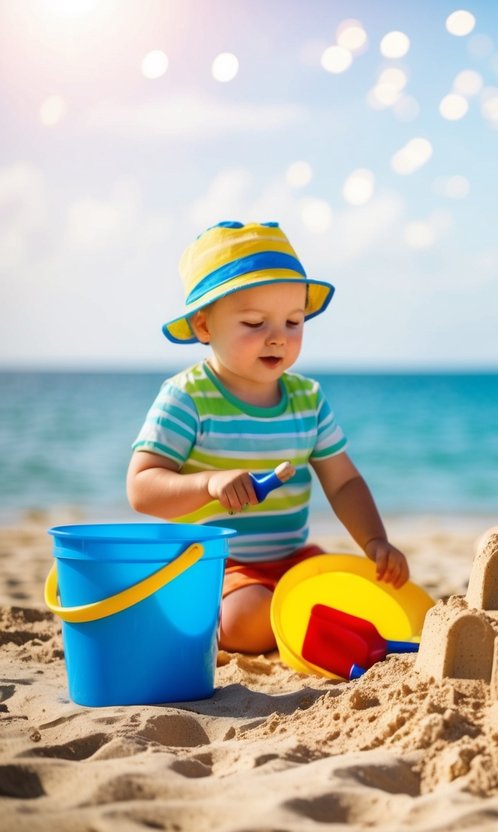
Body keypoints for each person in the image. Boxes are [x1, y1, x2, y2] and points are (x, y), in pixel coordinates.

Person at [127, 221, 409, 654]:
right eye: (255, 322)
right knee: (246, 622)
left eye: (294, 321)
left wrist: (375, 540)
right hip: (218, 566)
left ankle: (292, 618)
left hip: (292, 560)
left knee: (364, 596)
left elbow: (343, 481)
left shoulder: (307, 399)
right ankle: (262, 622)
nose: (278, 336)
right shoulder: (187, 398)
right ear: (204, 326)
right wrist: (207, 484)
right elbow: (142, 488)